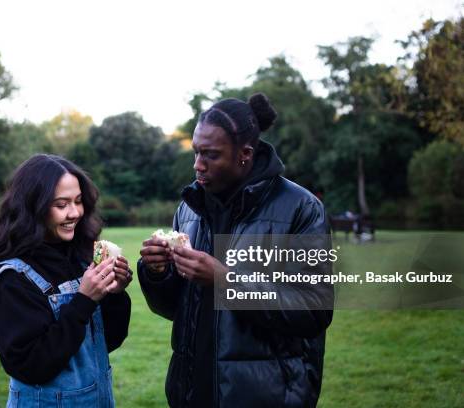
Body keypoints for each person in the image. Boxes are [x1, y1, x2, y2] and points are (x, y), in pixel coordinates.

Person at [138, 93, 333, 407]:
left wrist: (223, 280)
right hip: (192, 393)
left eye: (210, 155)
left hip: (266, 396)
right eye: (196, 152)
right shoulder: (189, 208)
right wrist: (158, 273)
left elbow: (313, 310)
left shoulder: (301, 208)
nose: (197, 165)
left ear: (245, 154)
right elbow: (176, 309)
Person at [0, 154, 132, 407]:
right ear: (33, 207)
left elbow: (107, 342)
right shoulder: (12, 277)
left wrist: (114, 293)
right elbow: (30, 366)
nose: (75, 213)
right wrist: (84, 300)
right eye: (62, 205)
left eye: (79, 201)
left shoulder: (81, 258)